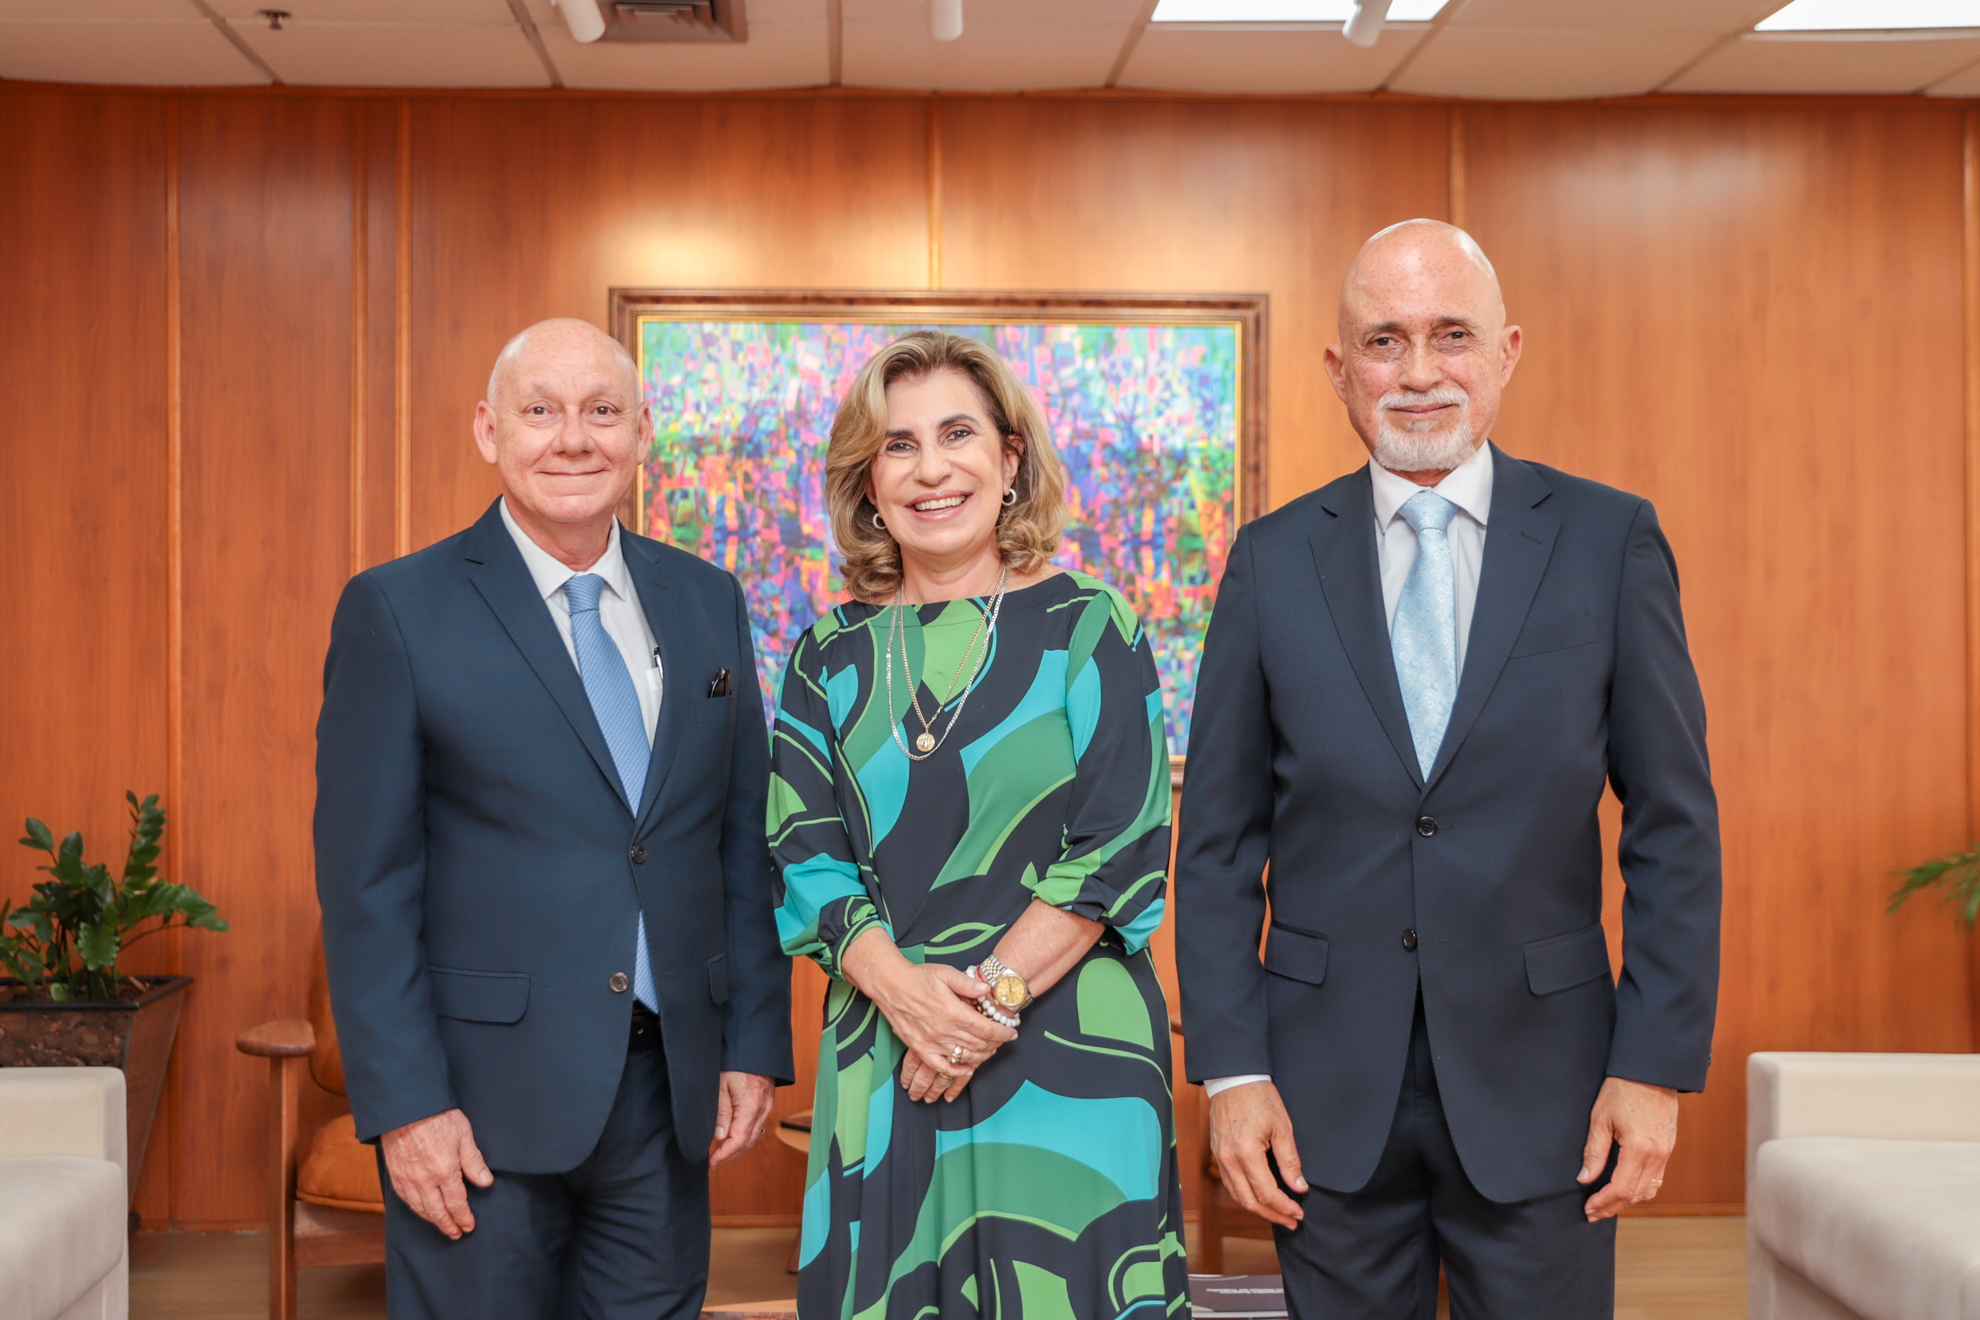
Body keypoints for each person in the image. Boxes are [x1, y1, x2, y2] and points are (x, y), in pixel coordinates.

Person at [1174, 221, 1721, 1318]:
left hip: (1551, 1092)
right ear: (1339, 369)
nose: (1418, 373)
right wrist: (1232, 1077)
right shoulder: (1271, 563)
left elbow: (1674, 825)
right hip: (1320, 1099)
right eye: (1384, 340)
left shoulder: (1609, 543)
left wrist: (1652, 1068)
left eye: (1450, 335)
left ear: (1507, 350)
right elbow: (1221, 844)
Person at [314, 318, 792, 1320]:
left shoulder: (708, 600)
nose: (573, 439)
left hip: (668, 1094)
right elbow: (366, 888)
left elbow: (738, 845)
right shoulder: (397, 610)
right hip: (478, 1104)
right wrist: (406, 1107)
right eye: (542, 411)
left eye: (601, 411)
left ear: (641, 431)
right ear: (491, 431)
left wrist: (753, 1040)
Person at [769, 330, 1186, 1320]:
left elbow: (1119, 847)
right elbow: (802, 855)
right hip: (886, 1047)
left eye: (958, 433)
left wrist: (978, 1011)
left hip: (1069, 1051)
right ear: (869, 482)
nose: (930, 467)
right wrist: (908, 996)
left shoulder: (1093, 626)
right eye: (898, 443)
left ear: (1008, 459)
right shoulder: (827, 655)